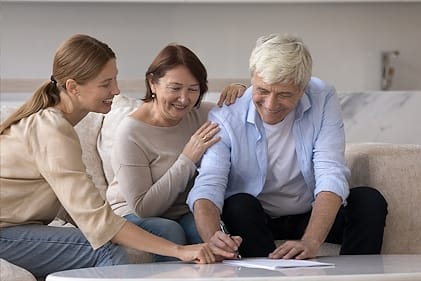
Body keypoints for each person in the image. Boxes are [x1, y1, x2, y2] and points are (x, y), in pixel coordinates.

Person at [0, 34, 235, 278]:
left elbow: (81, 210)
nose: (116, 90)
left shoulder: (56, 126)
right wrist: (178, 250)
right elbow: (98, 221)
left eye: (114, 79)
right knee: (107, 252)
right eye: (105, 83)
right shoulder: (52, 130)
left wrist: (237, 93)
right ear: (72, 87)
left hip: (17, 230)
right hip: (6, 233)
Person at [187, 33, 388, 260]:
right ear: (253, 78)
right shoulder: (226, 115)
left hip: (309, 212)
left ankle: (356, 276)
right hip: (256, 219)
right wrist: (213, 237)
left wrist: (311, 241)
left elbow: (330, 171)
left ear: (303, 88)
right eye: (262, 90)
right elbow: (208, 185)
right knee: (237, 205)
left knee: (368, 202)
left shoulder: (322, 97)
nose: (271, 105)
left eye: (284, 94)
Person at [106, 44, 243, 258]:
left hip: (184, 211)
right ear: (153, 83)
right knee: (171, 232)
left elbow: (246, 112)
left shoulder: (204, 114)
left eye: (193, 89)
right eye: (175, 88)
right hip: (132, 214)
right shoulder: (131, 132)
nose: (184, 99)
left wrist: (240, 90)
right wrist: (188, 158)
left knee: (210, 235)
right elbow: (144, 207)